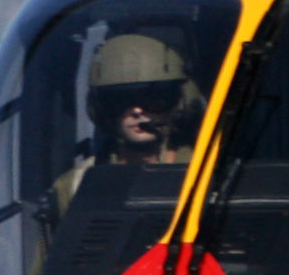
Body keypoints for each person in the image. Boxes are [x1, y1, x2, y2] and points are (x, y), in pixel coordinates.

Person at [54, 31, 198, 213]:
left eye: (153, 98)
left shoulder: (206, 170)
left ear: (180, 101)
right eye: (120, 100)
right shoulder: (76, 185)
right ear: (101, 109)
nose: (137, 111)